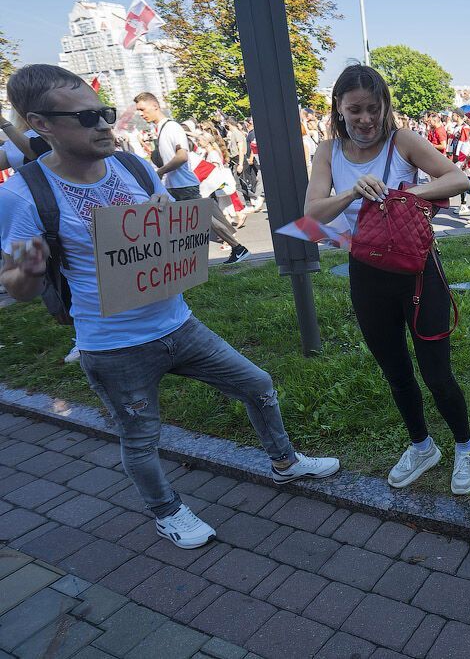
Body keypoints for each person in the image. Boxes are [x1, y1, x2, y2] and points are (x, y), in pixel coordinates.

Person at [0, 65, 341, 549]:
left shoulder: (133, 167)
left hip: (178, 324)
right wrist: (27, 270)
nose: (103, 125)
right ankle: (166, 512)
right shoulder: (22, 194)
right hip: (114, 345)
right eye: (87, 118)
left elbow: (167, 226)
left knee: (257, 384)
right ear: (41, 123)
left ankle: (285, 462)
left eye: (106, 113)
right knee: (140, 438)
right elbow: (18, 290)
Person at [303, 65, 470, 495]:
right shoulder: (328, 151)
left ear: (385, 107)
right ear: (339, 110)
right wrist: (350, 192)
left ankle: (464, 446)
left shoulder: (401, 142)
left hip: (419, 273)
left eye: (373, 108)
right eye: (354, 110)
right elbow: (311, 216)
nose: (365, 119)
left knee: (437, 373)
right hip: (366, 274)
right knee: (396, 371)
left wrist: (400, 195)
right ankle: (422, 446)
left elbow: (456, 179)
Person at [133, 93, 251, 264]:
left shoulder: (172, 128)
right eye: (138, 111)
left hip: (182, 185)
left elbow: (182, 156)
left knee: (199, 220)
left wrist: (160, 172)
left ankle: (237, 248)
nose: (141, 114)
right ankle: (194, 257)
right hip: (178, 185)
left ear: (155, 106)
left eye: (142, 109)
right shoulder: (163, 129)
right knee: (199, 219)